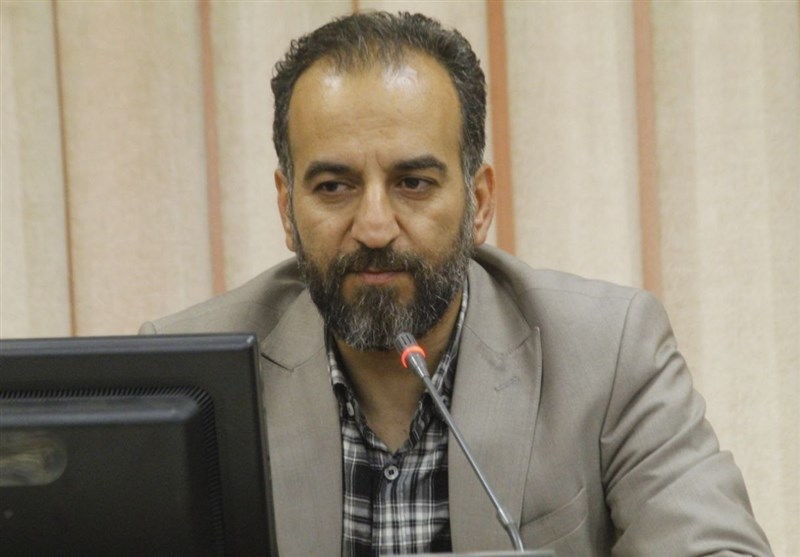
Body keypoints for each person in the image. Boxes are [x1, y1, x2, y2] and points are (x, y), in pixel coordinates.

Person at [141, 11, 772, 557]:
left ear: (479, 202)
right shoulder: (187, 376)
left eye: (413, 183)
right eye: (334, 186)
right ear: (287, 209)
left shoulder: (607, 353)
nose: (375, 226)